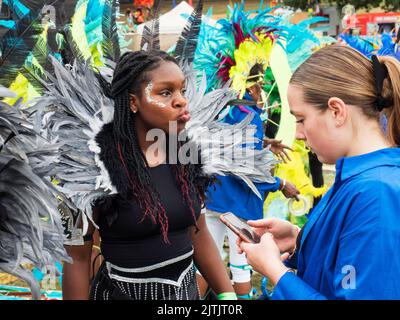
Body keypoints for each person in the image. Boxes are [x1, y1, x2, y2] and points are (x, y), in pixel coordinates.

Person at [62, 50, 236, 300]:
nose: (181, 101)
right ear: (133, 102)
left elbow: (199, 233)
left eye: (182, 91)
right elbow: (76, 259)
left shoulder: (186, 156)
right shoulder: (92, 167)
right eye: (165, 93)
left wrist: (227, 297)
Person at [238, 44, 400, 299]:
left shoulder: (376, 192)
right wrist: (299, 238)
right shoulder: (361, 178)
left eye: (301, 119)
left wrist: (276, 271)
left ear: (336, 111)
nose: (299, 134)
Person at [197, 63, 300, 300]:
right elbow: (247, 169)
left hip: (212, 198)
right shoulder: (250, 116)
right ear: (250, 85)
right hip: (238, 206)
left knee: (206, 262)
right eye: (260, 83)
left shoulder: (218, 108)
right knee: (240, 263)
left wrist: (263, 142)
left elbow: (229, 147)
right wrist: (281, 184)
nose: (261, 88)